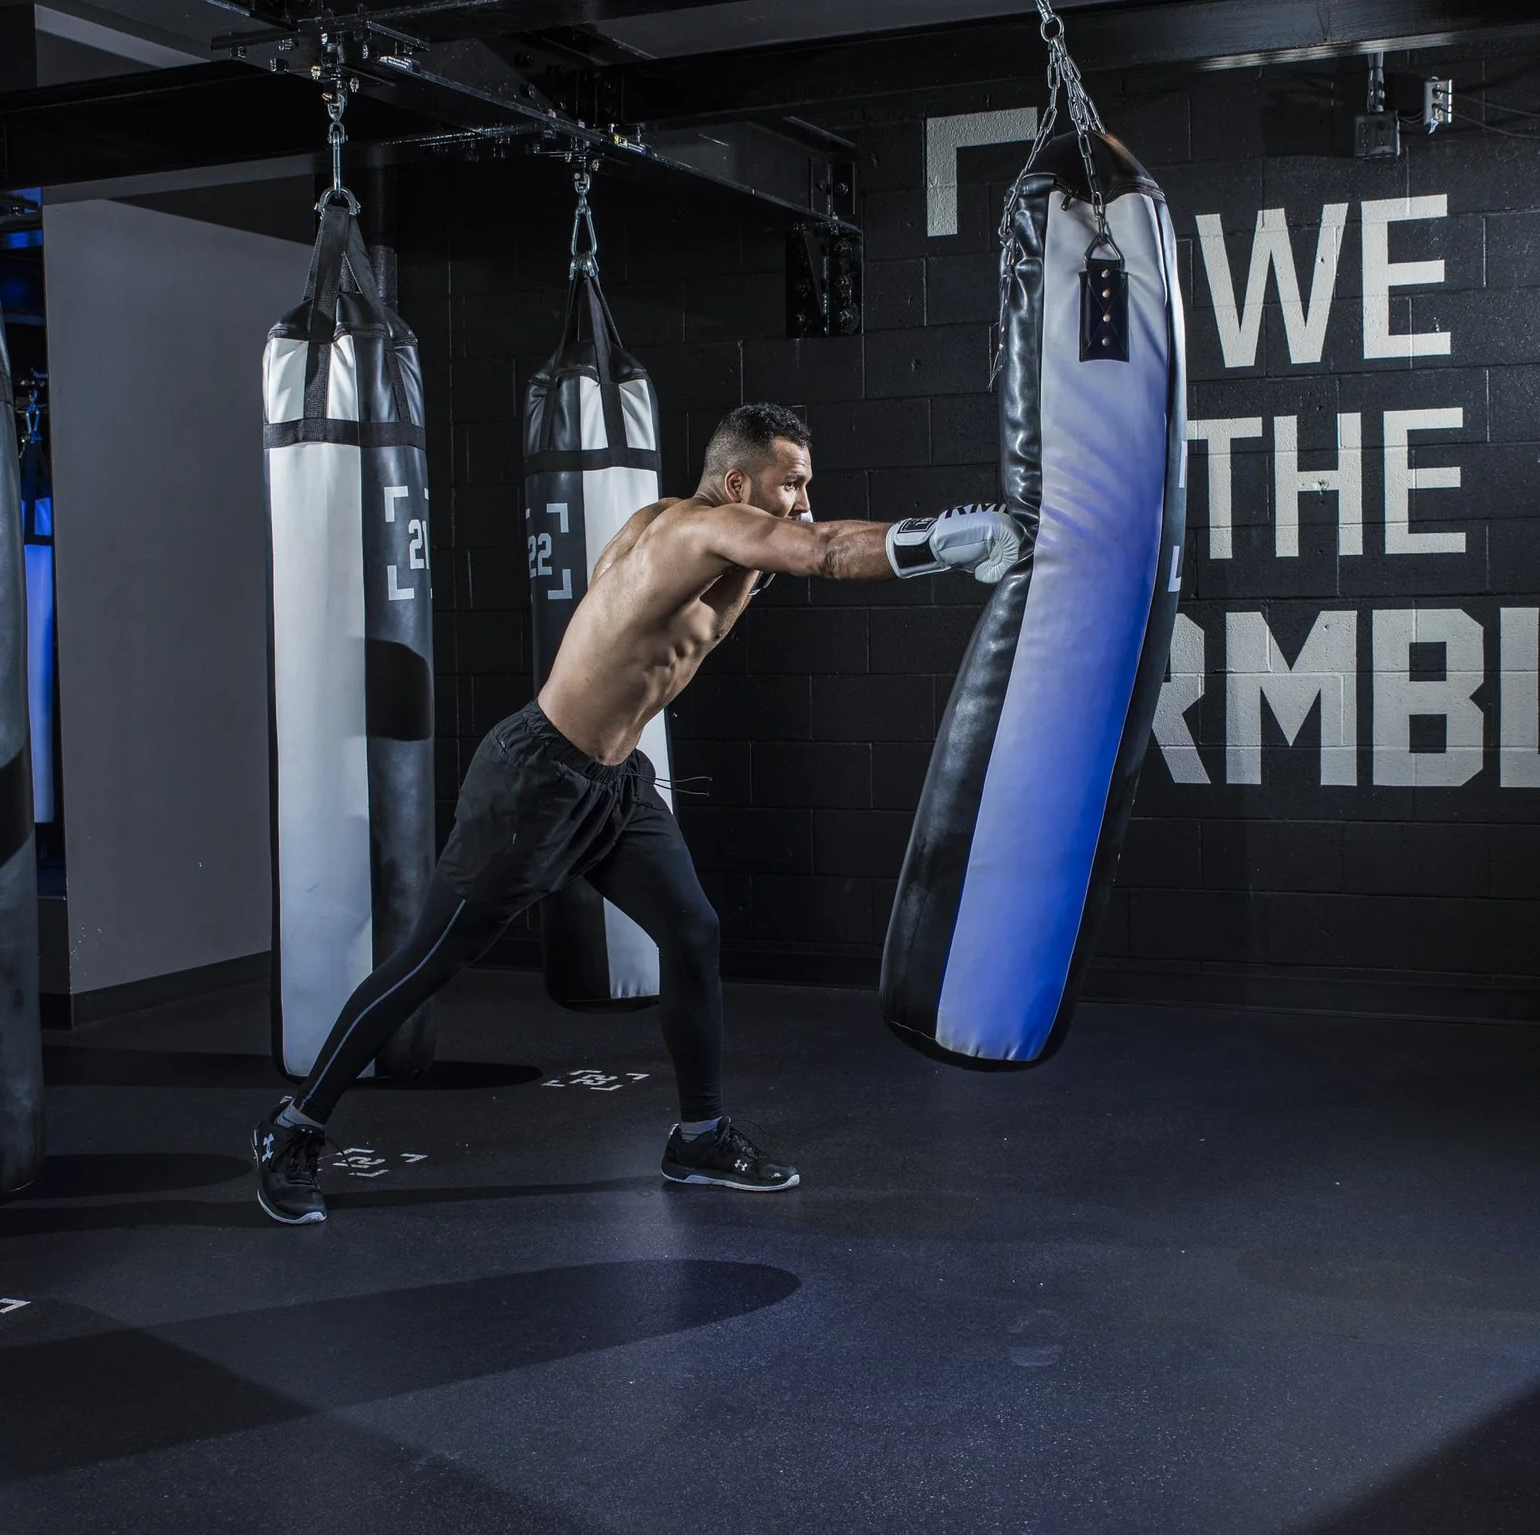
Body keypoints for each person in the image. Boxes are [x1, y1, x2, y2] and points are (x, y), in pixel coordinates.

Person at [253, 402, 1026, 1223]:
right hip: (535, 782)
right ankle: (293, 1128)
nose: (803, 500)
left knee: (693, 932)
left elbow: (809, 542)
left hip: (614, 784)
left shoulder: (698, 528)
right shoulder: (691, 532)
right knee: (431, 959)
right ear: (737, 483)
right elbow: (826, 552)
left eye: (808, 484)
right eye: (790, 483)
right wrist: (943, 540)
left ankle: (698, 1135)